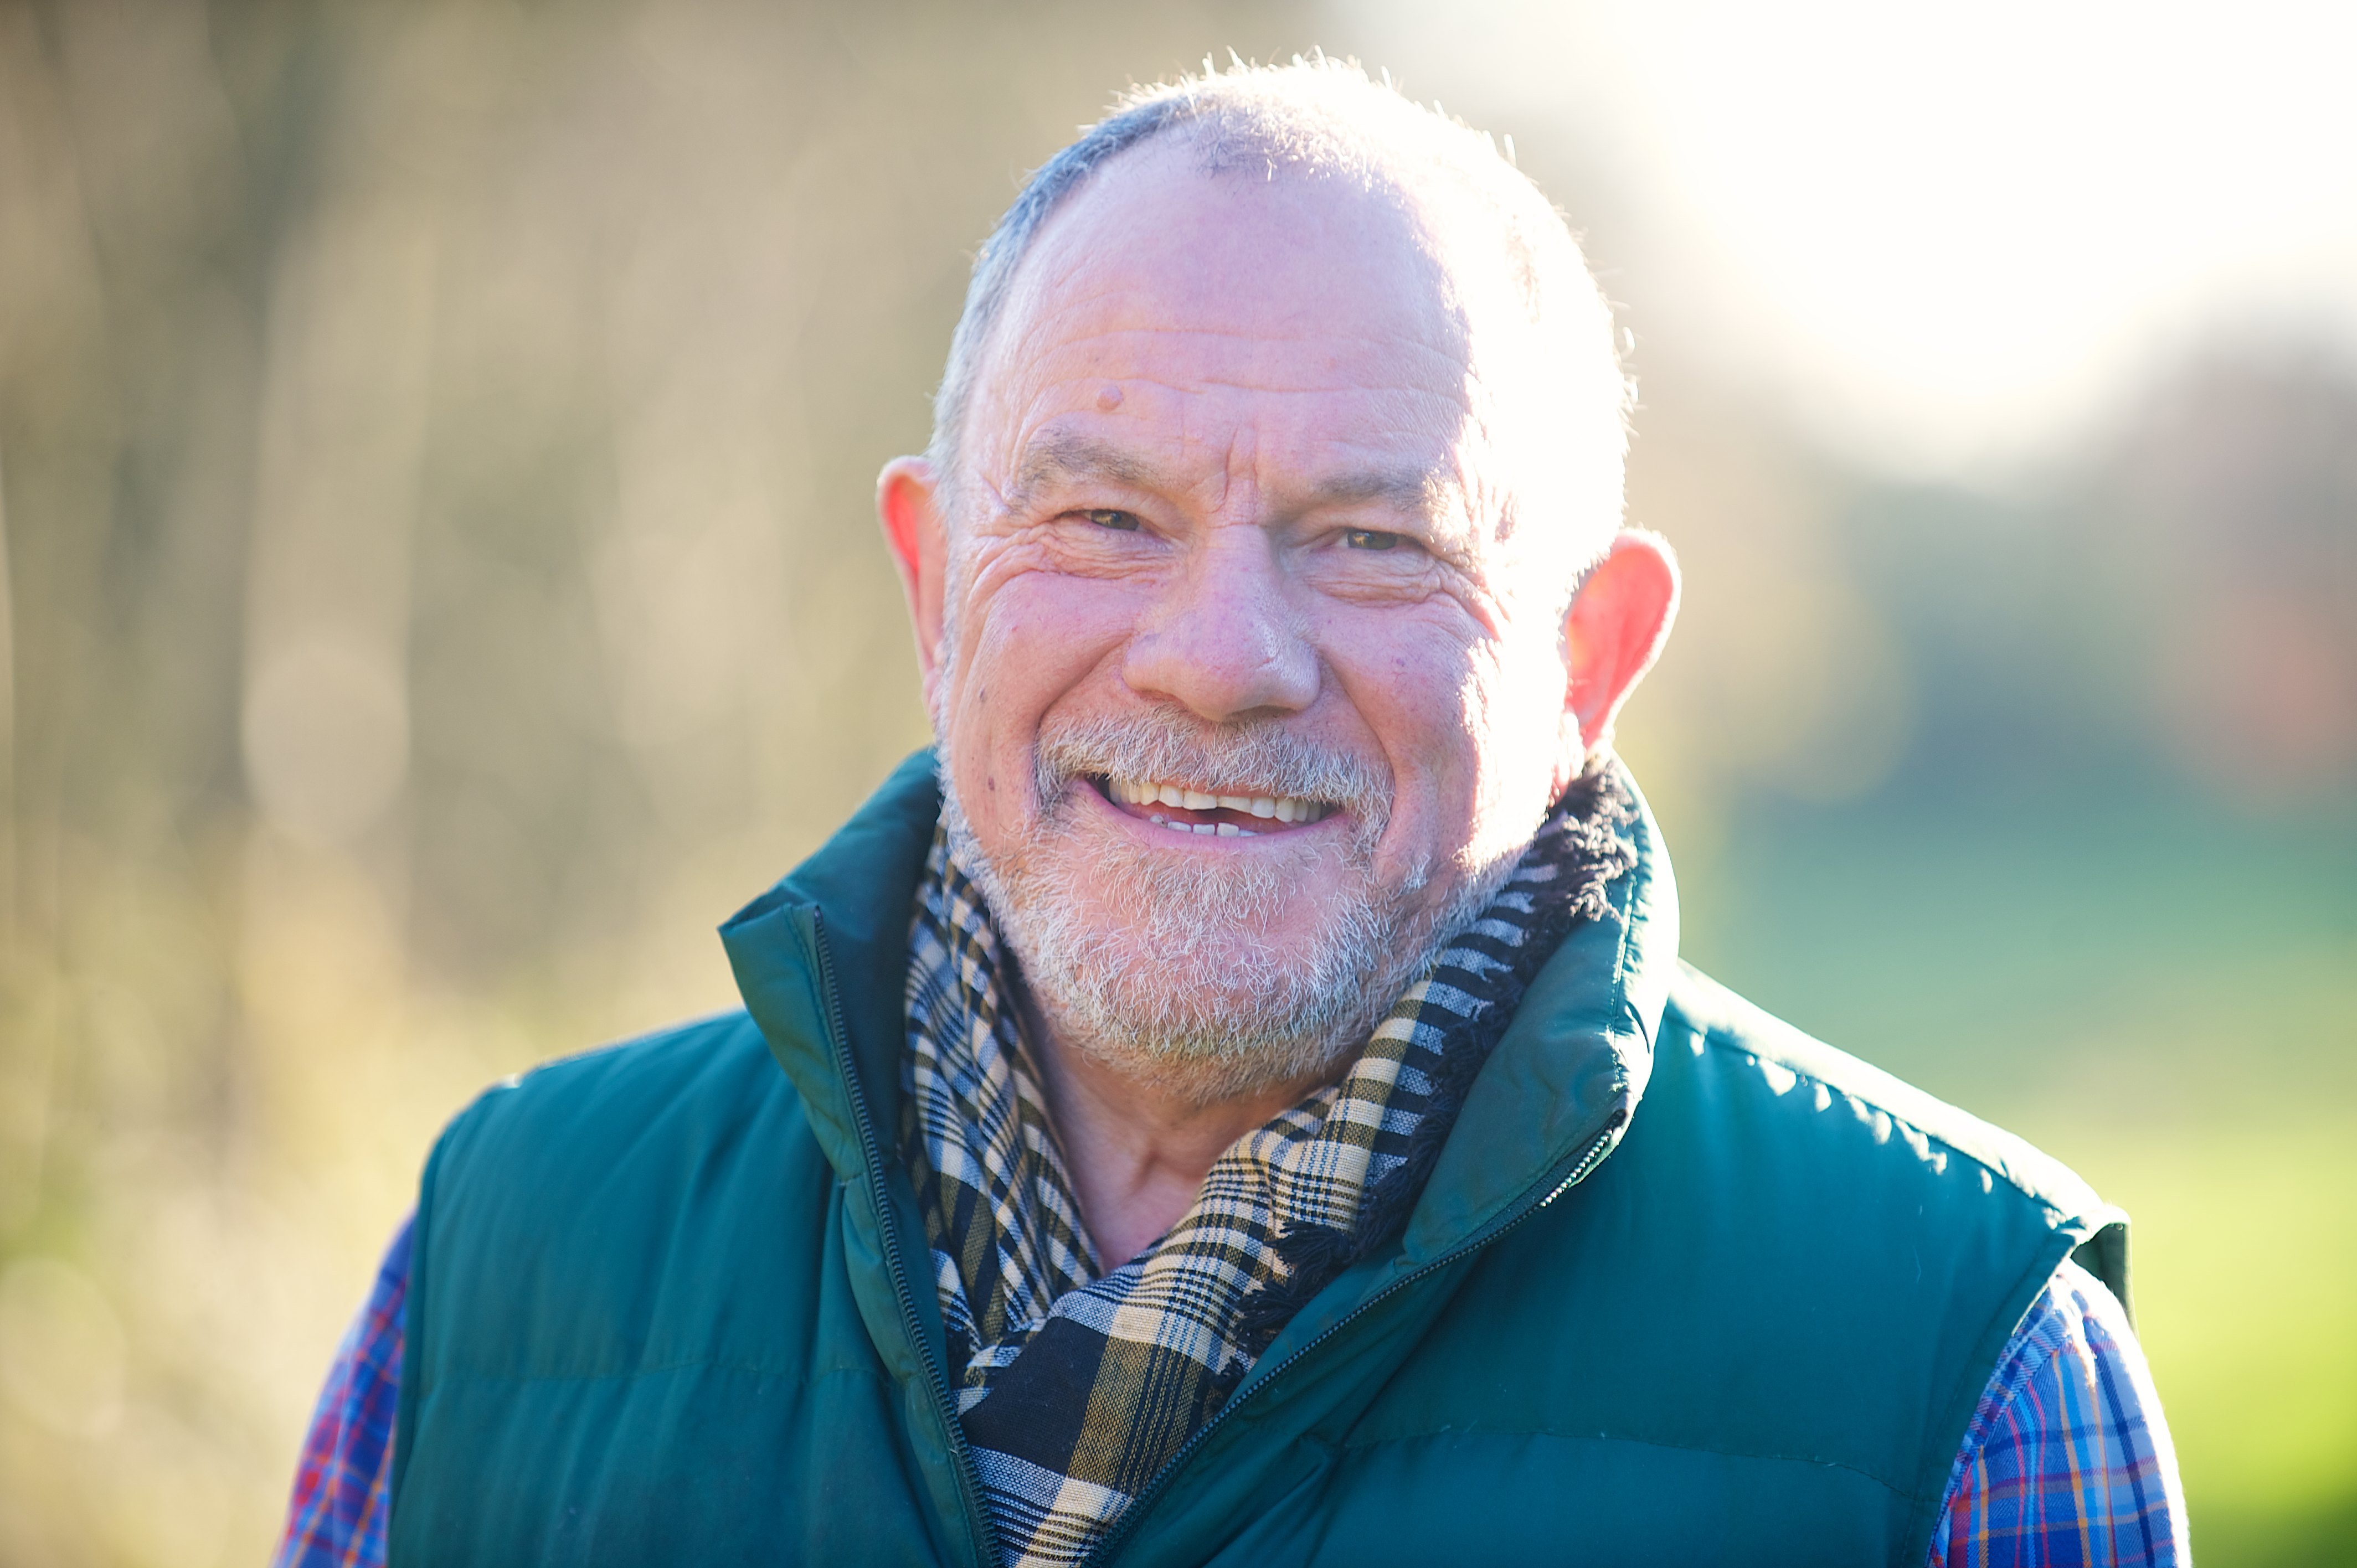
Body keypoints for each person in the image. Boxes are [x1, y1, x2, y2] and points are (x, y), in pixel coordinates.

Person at [276, 60, 2185, 1567]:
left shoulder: (1971, 1371)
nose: (1217, 659)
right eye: (1105, 517)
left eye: (1372, 542)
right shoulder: (498, 1258)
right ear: (937, 590)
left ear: (1590, 658)